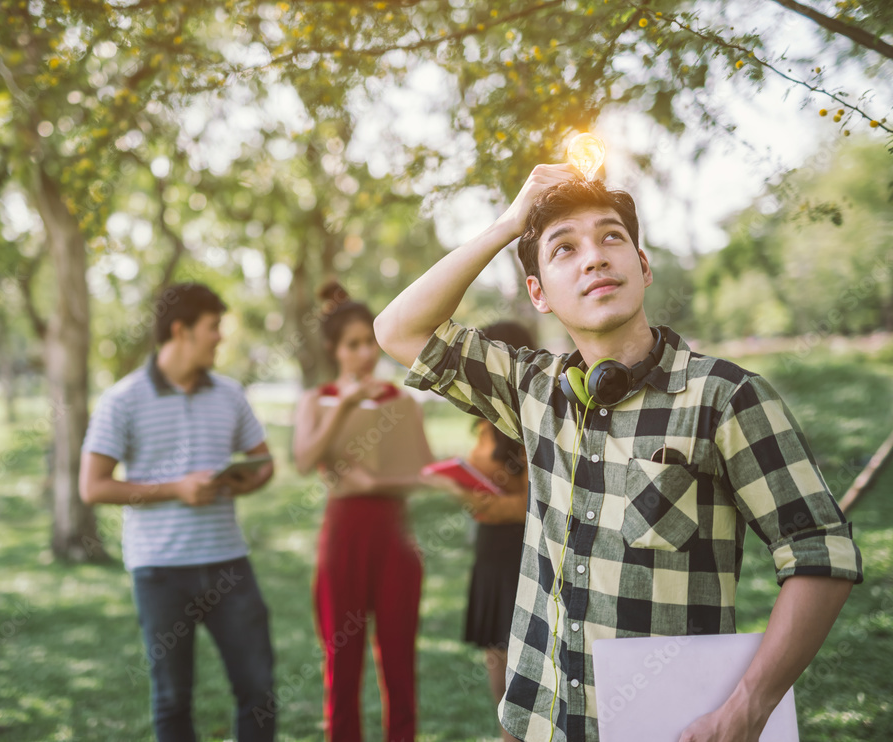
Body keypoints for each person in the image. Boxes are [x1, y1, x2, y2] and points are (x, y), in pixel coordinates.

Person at [374, 166, 864, 742]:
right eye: (564, 248)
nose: (595, 257)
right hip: (533, 723)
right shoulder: (531, 390)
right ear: (539, 293)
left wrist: (749, 707)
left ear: (643, 265)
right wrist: (509, 225)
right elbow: (398, 328)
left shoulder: (725, 398)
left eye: (612, 237)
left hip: (666, 728)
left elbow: (818, 552)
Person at [79, 282, 276, 742]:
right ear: (181, 330)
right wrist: (176, 489)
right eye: (213, 328)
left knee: (259, 689)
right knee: (172, 701)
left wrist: (243, 481)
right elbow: (93, 486)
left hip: (229, 564)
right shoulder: (121, 400)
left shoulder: (230, 394)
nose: (220, 338)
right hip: (160, 572)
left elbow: (264, 464)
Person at [292, 279, 434, 742]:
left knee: (399, 662)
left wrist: (376, 482)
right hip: (343, 539)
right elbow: (302, 460)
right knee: (342, 661)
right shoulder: (315, 401)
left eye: (369, 344)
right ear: (335, 350)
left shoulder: (403, 402)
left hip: (394, 536)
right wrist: (345, 406)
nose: (365, 355)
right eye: (353, 345)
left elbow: (426, 473)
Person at [423, 320, 532, 742]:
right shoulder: (486, 414)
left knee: (522, 651)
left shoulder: (529, 417)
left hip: (522, 548)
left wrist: (489, 503)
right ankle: (507, 729)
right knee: (496, 652)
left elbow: (535, 501)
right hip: (491, 548)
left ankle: (515, 734)